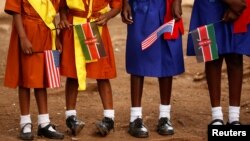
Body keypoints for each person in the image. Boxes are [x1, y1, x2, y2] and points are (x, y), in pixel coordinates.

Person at [57, 0, 121, 137]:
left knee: (102, 73)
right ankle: (71, 117)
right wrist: (63, 18)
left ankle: (109, 119)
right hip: (73, 26)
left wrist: (108, 15)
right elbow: (62, 6)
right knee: (73, 73)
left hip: (96, 27)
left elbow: (117, 5)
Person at [121, 0, 185, 138]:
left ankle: (164, 116)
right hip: (139, 6)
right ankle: (135, 118)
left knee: (166, 59)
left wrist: (178, 1)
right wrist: (125, 3)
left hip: (166, 6)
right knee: (138, 57)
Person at [4, 0, 64, 140]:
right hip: (27, 33)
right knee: (25, 80)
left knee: (42, 79)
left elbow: (50, 14)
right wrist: (23, 37)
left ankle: (44, 123)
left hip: (47, 34)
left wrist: (56, 38)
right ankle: (25, 123)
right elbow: (16, 11)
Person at [187, 0, 249, 125]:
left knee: (235, 56)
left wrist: (236, 4)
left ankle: (234, 117)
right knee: (212, 55)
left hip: (239, 2)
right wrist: (232, 2)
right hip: (209, 4)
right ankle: (216, 117)